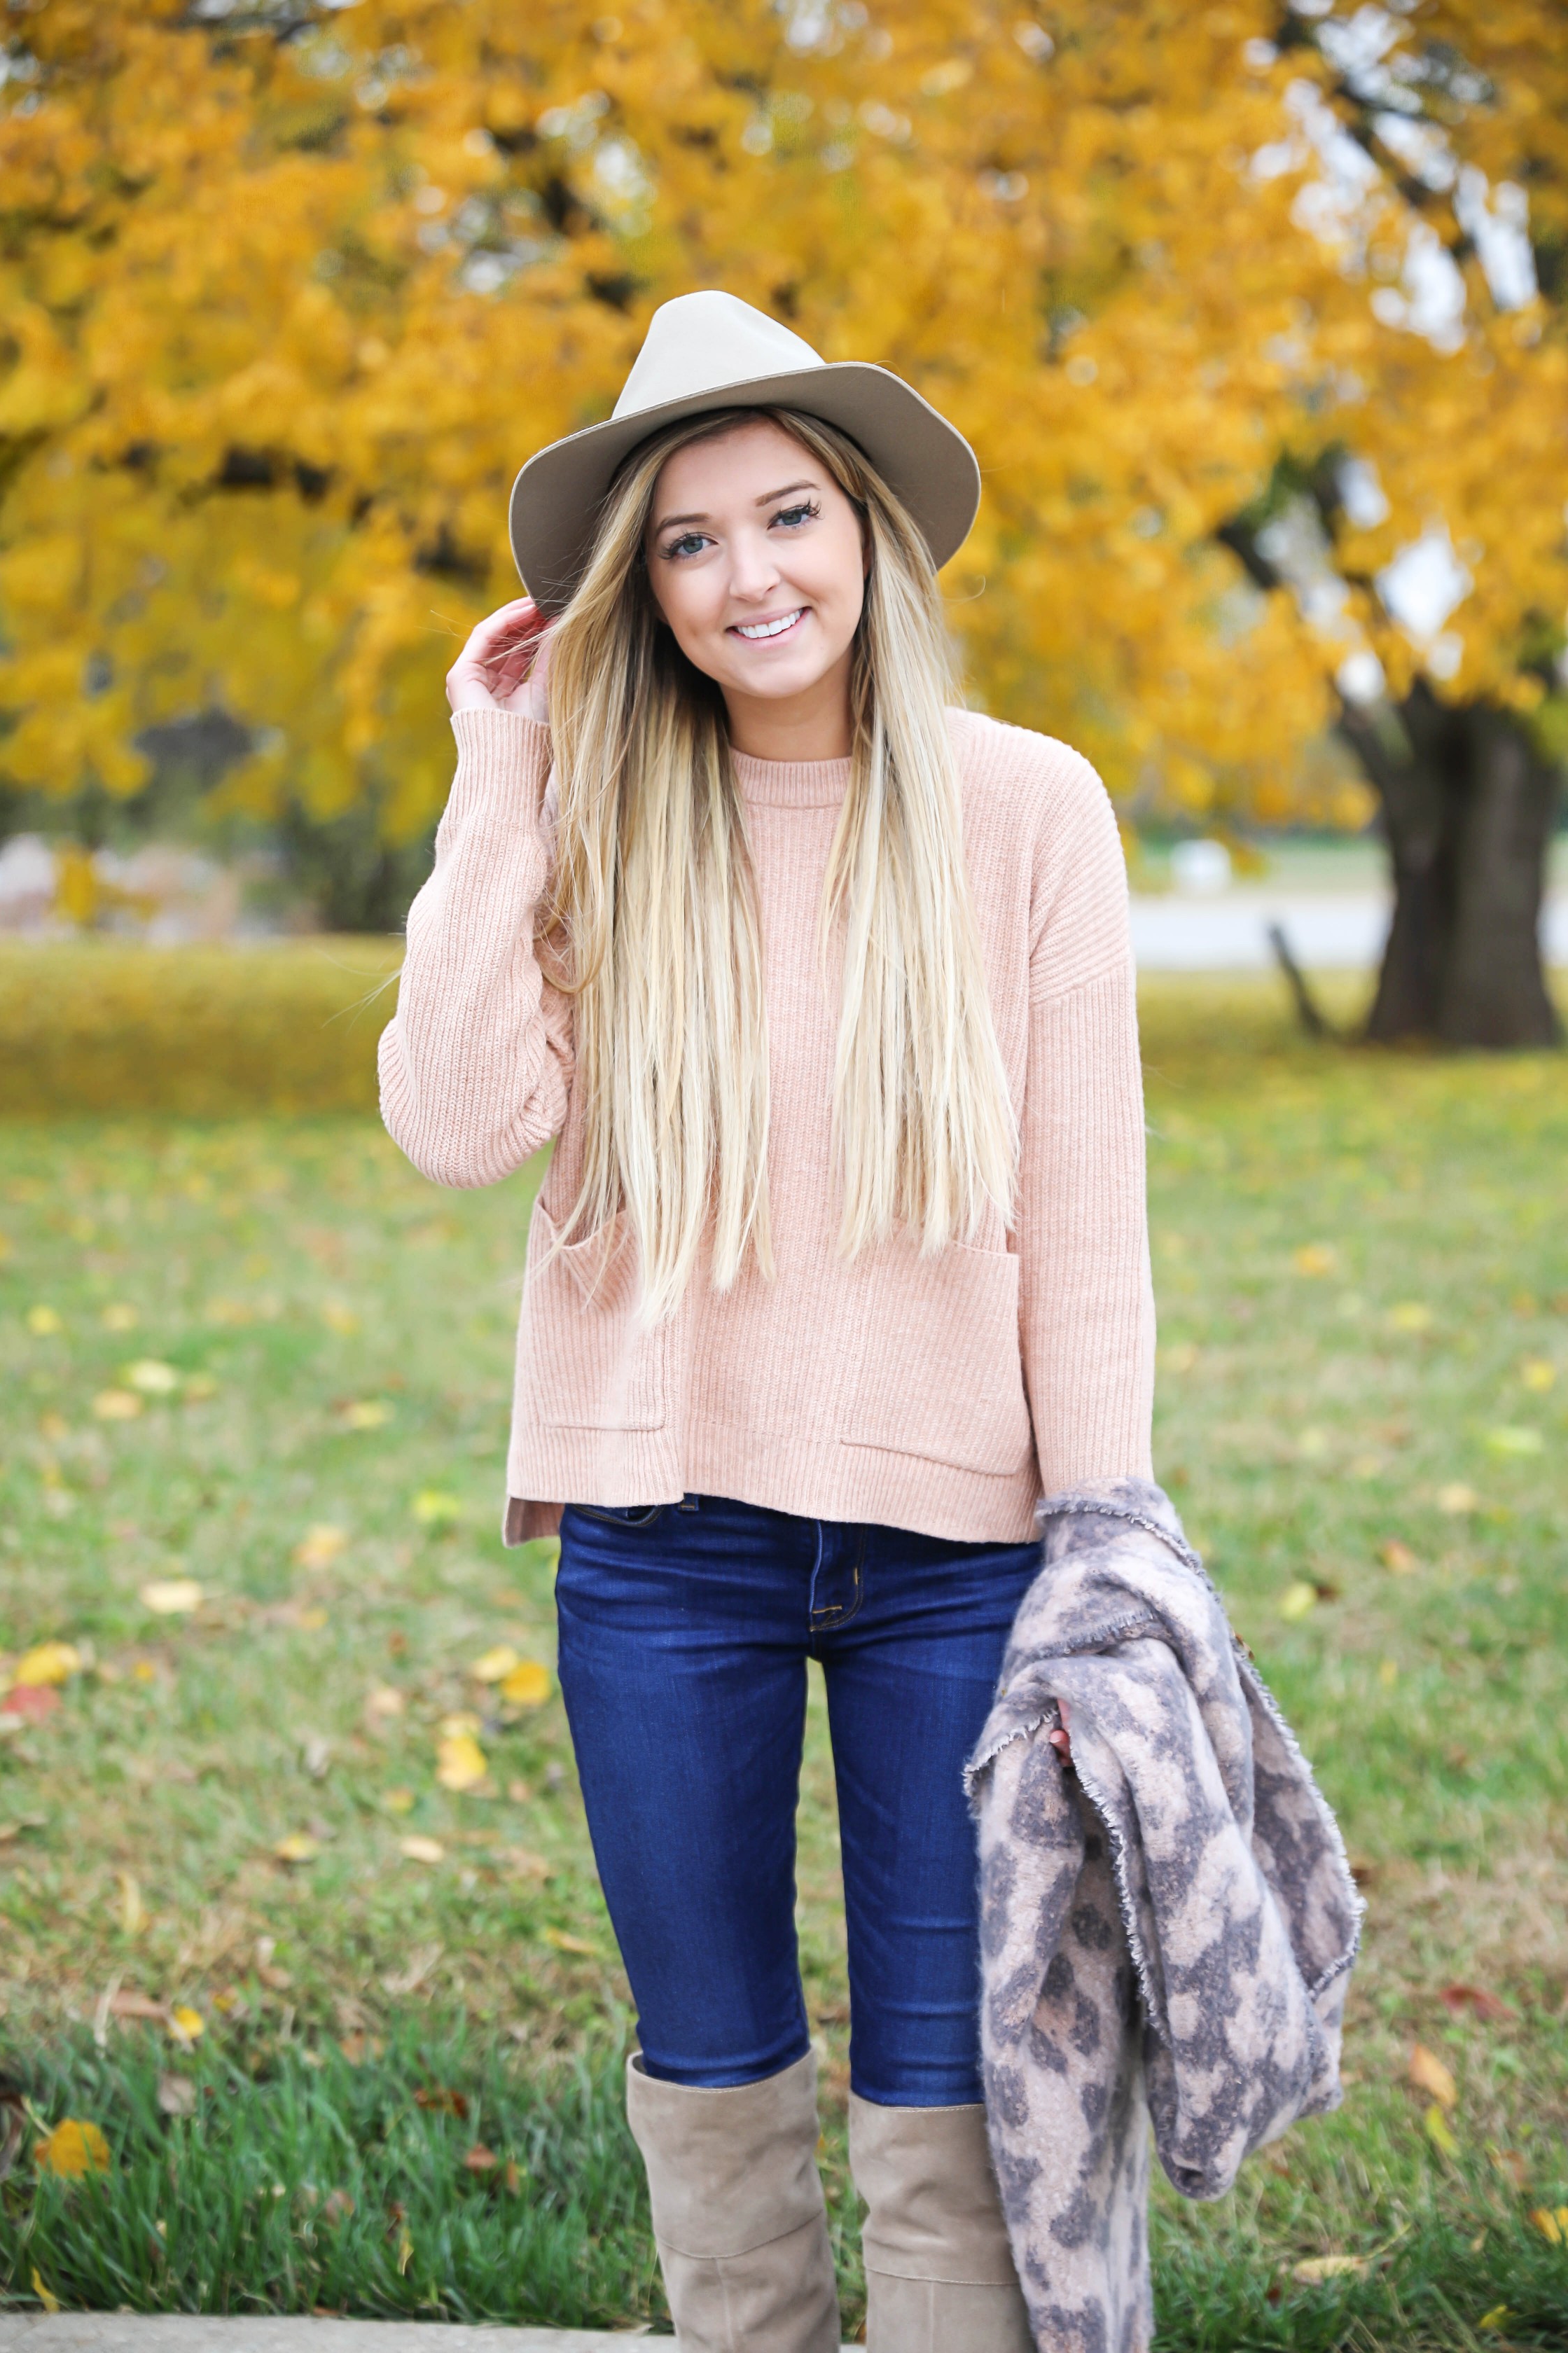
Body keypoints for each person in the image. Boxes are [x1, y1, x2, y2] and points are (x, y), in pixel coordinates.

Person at [380, 290, 1154, 2353]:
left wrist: (1107, 1545)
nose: (749, 576)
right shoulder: (595, 821)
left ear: (868, 539)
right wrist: (503, 771)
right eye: (690, 542)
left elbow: (1083, 1233)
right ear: (644, 591)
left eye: (787, 515)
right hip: (662, 1548)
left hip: (962, 1564)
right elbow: (453, 1127)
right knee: (711, 2061)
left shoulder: (1024, 812)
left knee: (946, 2076)